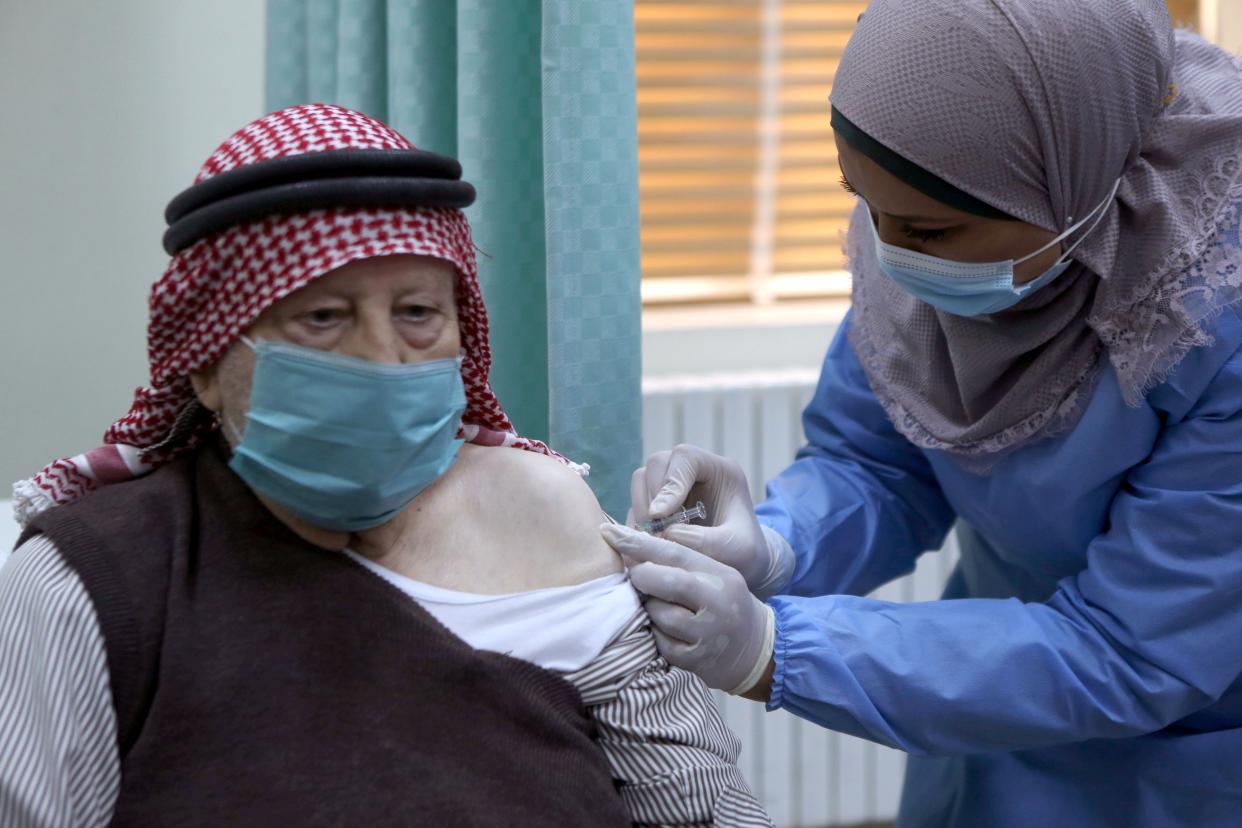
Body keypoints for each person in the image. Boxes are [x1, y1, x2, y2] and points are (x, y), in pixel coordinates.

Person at [0, 104, 772, 827]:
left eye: (417, 313)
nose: (381, 359)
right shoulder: (94, 581)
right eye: (323, 317)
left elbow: (700, 806)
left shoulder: (547, 513)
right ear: (205, 363)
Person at [601, 1, 1242, 826]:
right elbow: (883, 461)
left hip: (1183, 752)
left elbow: (1127, 651)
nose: (892, 254)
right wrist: (777, 544)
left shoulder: (1213, 326)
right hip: (991, 701)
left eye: (931, 231)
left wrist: (776, 650)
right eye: (865, 203)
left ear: (1085, 188)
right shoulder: (933, 232)